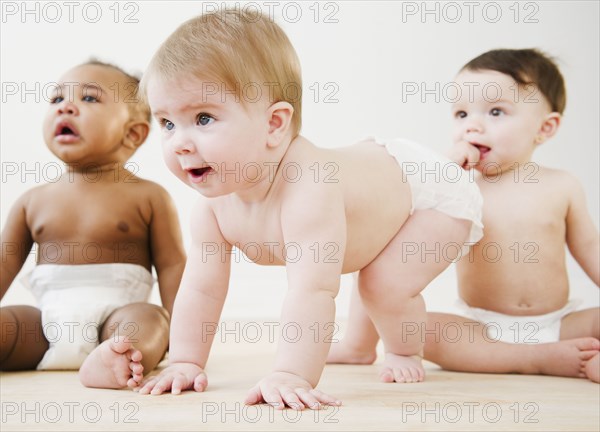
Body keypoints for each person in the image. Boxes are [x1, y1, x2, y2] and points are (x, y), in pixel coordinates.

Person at [135, 9, 483, 409]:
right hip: (375, 186)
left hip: (427, 191)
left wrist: (291, 373)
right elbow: (201, 288)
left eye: (203, 118)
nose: (179, 142)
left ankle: (405, 350)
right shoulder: (211, 209)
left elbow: (313, 289)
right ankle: (357, 346)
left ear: (274, 125)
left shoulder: (308, 187)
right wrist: (184, 361)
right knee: (369, 269)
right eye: (166, 123)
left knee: (382, 283)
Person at [329, 48, 600, 383]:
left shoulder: (563, 185)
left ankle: (576, 357)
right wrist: (443, 176)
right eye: (461, 114)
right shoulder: (456, 189)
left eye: (496, 111)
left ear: (545, 128)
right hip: (480, 326)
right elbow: (391, 254)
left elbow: (591, 249)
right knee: (417, 331)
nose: (472, 126)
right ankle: (540, 359)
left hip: (560, 322)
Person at [0, 60, 186, 389]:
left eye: (88, 99)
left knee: (152, 320)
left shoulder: (148, 197)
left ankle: (113, 361)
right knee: (9, 325)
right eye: (57, 99)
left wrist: (184, 339)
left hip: (116, 321)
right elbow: (4, 262)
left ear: (133, 133)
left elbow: (172, 265)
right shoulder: (32, 201)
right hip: (43, 326)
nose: (66, 108)